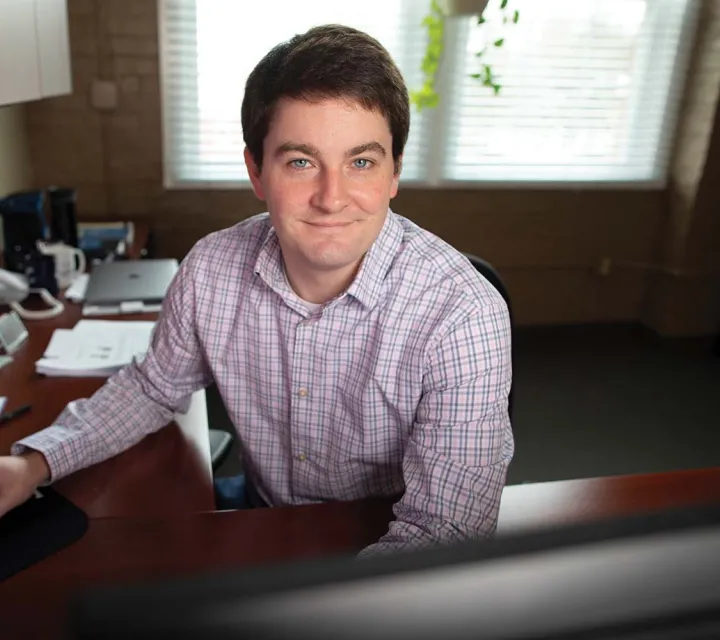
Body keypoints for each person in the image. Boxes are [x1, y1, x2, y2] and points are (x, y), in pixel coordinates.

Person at [0, 25, 513, 556]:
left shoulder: (463, 314)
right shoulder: (210, 270)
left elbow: (443, 535)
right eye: (301, 162)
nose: (331, 198)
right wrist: (30, 464)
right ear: (257, 172)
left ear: (393, 174)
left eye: (361, 162)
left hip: (383, 542)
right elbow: (152, 389)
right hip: (263, 521)